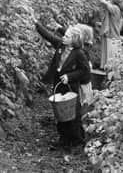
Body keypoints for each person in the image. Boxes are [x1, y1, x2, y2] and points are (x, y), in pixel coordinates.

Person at [34, 20, 91, 150]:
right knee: (60, 111)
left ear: (74, 39)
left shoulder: (79, 54)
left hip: (71, 87)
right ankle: (63, 139)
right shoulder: (60, 45)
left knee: (73, 113)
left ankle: (77, 140)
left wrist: (70, 76)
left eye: (67, 36)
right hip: (58, 84)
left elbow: (85, 71)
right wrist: (37, 25)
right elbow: (49, 36)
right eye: (64, 35)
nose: (63, 37)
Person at [88, 0, 123, 68]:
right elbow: (112, 22)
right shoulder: (116, 9)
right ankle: (107, 77)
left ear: (113, 0)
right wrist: (102, 24)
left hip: (112, 37)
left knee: (110, 61)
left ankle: (109, 78)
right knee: (108, 62)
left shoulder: (115, 8)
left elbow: (103, 2)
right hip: (110, 36)